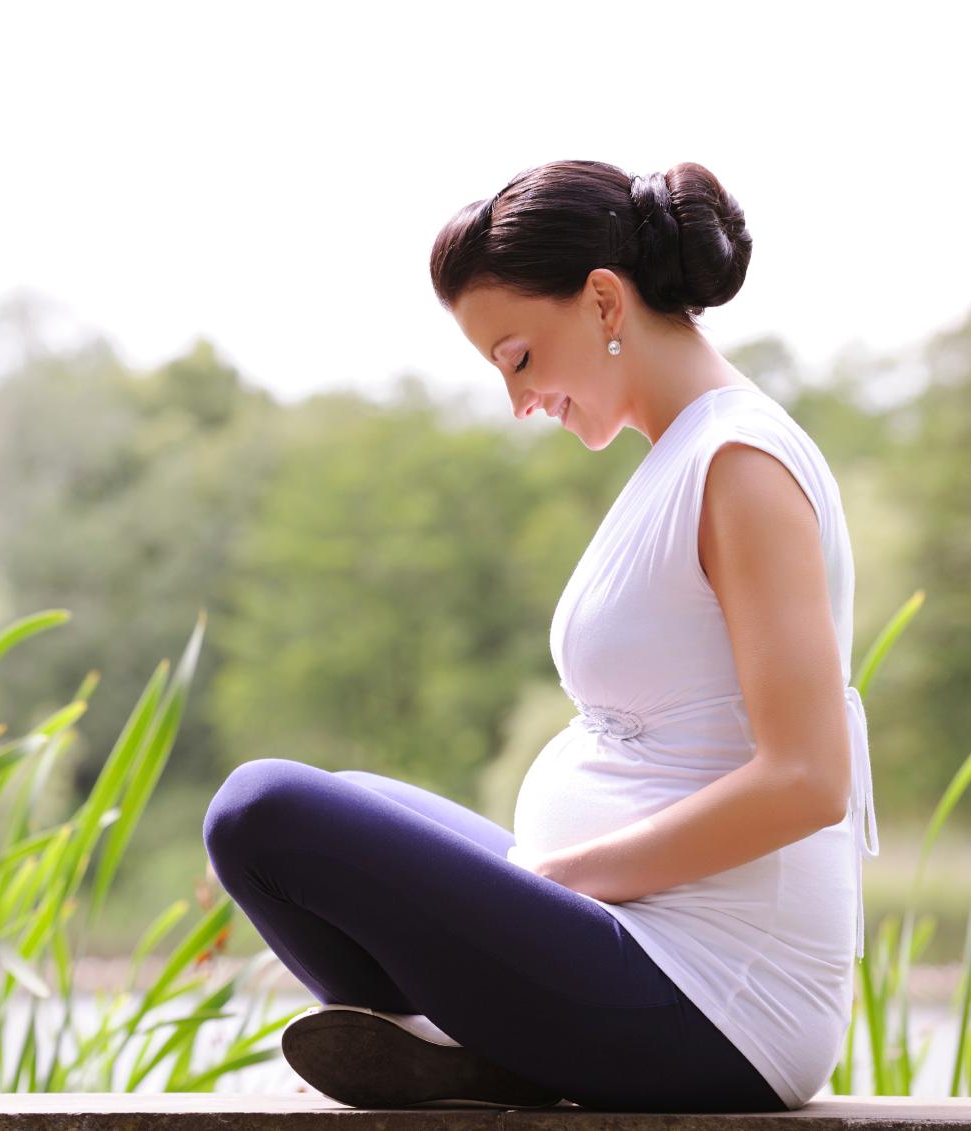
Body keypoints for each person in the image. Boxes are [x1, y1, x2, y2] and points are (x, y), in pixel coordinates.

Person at [201, 159, 877, 1113]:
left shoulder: (741, 466)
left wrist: (559, 879)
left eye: (518, 357)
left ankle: (473, 1045)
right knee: (345, 803)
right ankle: (475, 1052)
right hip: (639, 946)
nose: (519, 402)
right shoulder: (684, 454)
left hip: (713, 1000)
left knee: (260, 807)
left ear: (604, 301)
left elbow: (807, 779)